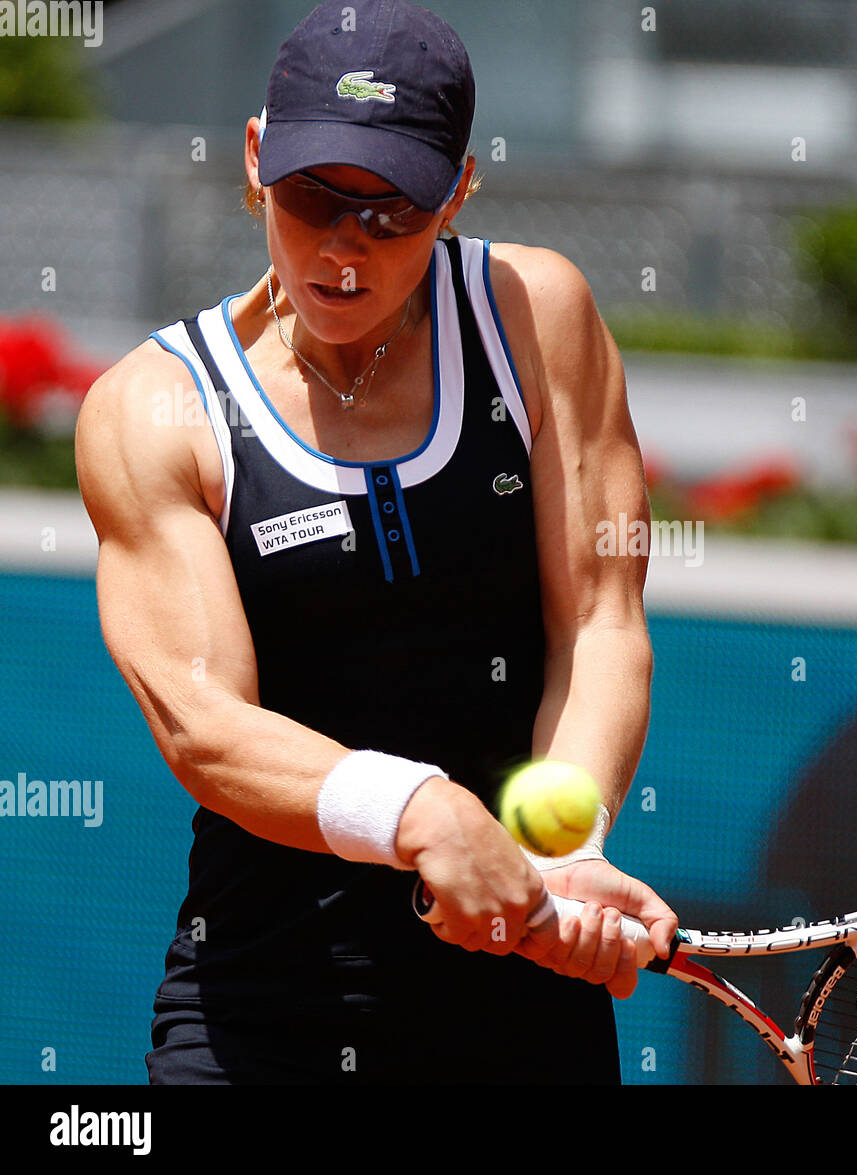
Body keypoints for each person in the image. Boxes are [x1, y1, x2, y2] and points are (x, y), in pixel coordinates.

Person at [75, 0, 676, 1084]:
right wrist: (418, 809)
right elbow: (205, 725)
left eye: (391, 211)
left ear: (459, 192)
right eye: (313, 198)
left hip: (521, 1010)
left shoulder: (538, 316)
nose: (344, 248)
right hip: (262, 1015)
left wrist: (561, 851)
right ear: (256, 161)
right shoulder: (153, 409)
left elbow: (599, 622)